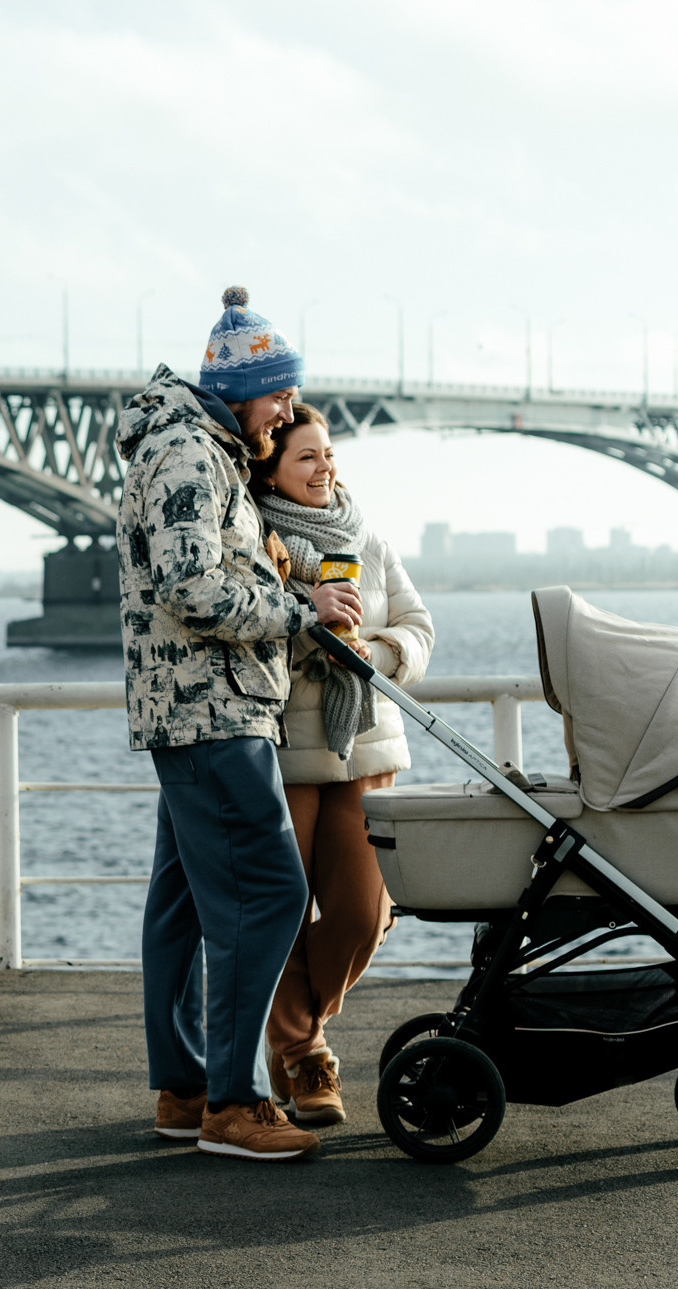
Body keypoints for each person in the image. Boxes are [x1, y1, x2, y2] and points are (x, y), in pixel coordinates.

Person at [117, 287, 361, 1161]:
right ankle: (236, 1100)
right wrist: (299, 612)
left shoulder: (199, 446)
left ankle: (184, 1088)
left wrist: (286, 596)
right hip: (209, 707)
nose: (290, 410)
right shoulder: (192, 454)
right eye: (281, 395)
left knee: (181, 904)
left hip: (195, 706)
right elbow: (193, 587)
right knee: (272, 892)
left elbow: (205, 573)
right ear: (241, 390)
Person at [252, 405, 434, 1125]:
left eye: (328, 453)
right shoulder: (259, 548)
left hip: (366, 747)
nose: (327, 466)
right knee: (281, 914)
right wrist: (309, 628)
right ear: (270, 470)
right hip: (288, 755)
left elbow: (418, 628)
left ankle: (292, 1033)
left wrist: (377, 654)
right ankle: (307, 1056)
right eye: (306, 458)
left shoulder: (368, 538)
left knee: (364, 912)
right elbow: (248, 641)